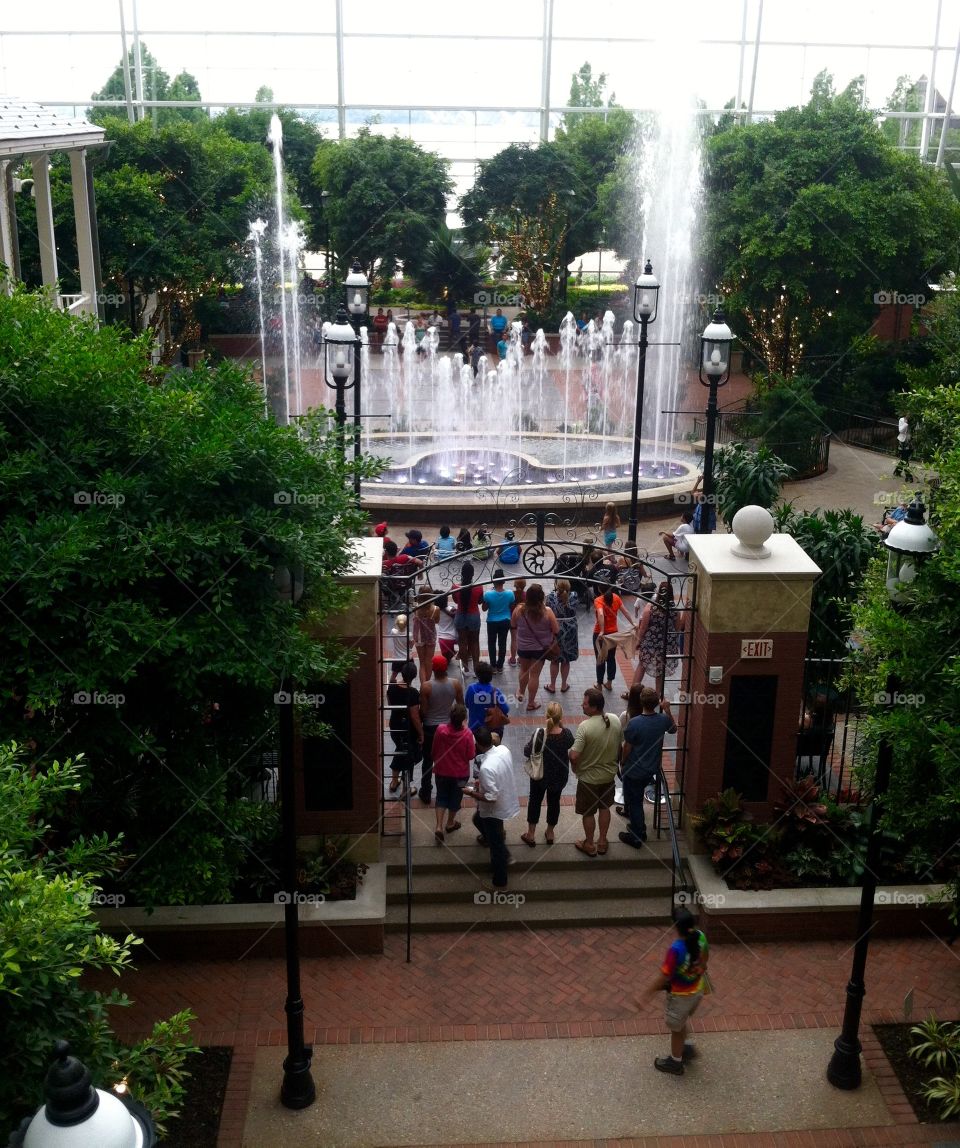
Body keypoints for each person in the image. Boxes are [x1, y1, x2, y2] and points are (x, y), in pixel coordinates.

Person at [643, 907, 709, 1075]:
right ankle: (686, 1047)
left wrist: (645, 995)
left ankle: (675, 1062)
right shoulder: (701, 937)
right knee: (682, 1020)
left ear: (675, 926)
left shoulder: (676, 950)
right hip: (698, 990)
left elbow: (663, 977)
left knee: (676, 1029)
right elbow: (705, 960)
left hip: (681, 997)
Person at [569, 687, 623, 856]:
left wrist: (574, 765)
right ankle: (602, 842)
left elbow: (574, 755)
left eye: (585, 704)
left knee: (588, 812)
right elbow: (620, 745)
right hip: (609, 776)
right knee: (605, 807)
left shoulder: (584, 727)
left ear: (594, 707)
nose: (581, 706)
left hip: (588, 780)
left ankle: (589, 844)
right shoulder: (615, 719)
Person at [619, 687, 676, 847]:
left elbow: (627, 748)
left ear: (641, 702)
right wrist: (667, 710)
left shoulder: (634, 723)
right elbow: (673, 729)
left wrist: (623, 763)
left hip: (635, 770)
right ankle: (637, 826)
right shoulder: (663, 720)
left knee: (635, 802)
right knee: (635, 799)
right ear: (657, 702)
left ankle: (637, 836)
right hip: (652, 768)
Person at [464, 725, 519, 889]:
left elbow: (490, 797)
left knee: (496, 845)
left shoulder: (486, 767)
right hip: (506, 800)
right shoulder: (504, 750)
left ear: (478, 745)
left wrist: (470, 793)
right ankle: (499, 857)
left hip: (494, 811)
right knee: (482, 824)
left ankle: (500, 879)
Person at [520, 700, 573, 847]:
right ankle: (550, 832)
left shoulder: (540, 734)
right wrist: (561, 726)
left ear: (546, 716)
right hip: (559, 776)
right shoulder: (566, 734)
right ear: (560, 717)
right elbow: (570, 744)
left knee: (535, 801)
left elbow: (526, 751)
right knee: (554, 802)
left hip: (540, 775)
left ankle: (531, 834)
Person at [418, 654, 463, 806]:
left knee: (428, 761)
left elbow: (423, 711)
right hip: (449, 727)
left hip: (431, 728)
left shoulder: (426, 687)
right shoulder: (455, 684)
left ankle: (425, 791)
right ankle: (449, 792)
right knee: (448, 760)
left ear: (433, 669)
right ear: (445, 669)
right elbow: (460, 706)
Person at [626, 581, 683, 697]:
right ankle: (657, 695)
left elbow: (643, 627)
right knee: (660, 669)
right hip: (667, 644)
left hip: (650, 644)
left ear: (658, 592)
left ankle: (633, 692)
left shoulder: (650, 607)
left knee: (642, 665)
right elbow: (677, 629)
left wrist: (638, 641)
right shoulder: (675, 610)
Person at [429, 702, 474, 843]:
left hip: (442, 770)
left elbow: (434, 749)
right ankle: (450, 823)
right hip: (460, 774)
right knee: (455, 798)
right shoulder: (467, 734)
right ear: (463, 719)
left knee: (441, 797)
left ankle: (438, 827)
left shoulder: (440, 730)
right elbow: (471, 755)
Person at [512, 583, 559, 712]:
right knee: (535, 675)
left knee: (523, 670)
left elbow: (513, 624)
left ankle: (521, 692)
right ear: (541, 597)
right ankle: (531, 703)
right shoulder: (547, 612)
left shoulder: (519, 609)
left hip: (523, 647)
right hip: (540, 649)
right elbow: (556, 630)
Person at [386, 661, 423, 794]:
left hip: (394, 724)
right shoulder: (413, 693)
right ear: (414, 676)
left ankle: (394, 781)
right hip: (408, 728)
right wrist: (421, 733)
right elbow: (414, 716)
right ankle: (405, 789)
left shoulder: (392, 687)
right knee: (408, 755)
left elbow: (390, 704)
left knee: (399, 750)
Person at [593, 585, 634, 691]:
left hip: (601, 635)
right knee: (611, 659)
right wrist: (633, 623)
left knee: (600, 658)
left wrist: (602, 630)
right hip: (613, 634)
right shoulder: (615, 597)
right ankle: (609, 683)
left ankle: (599, 684)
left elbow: (601, 615)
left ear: (599, 588)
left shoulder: (598, 600)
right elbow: (625, 611)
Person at [545, 579, 579, 693]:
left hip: (556, 629)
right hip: (570, 630)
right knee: (566, 660)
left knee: (554, 659)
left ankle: (552, 685)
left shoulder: (550, 597)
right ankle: (564, 685)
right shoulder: (574, 596)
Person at [453, 561, 484, 676]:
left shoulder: (455, 587)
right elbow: (480, 601)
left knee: (462, 642)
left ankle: (465, 669)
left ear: (461, 573)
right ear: (472, 574)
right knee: (475, 642)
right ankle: (476, 669)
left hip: (460, 616)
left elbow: (456, 601)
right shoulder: (479, 588)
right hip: (474, 616)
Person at [464, 661, 510, 735]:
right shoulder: (495, 691)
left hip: (474, 728)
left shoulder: (471, 688)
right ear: (491, 676)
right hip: (492, 730)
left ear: (477, 675)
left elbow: (467, 705)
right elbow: (506, 709)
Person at [481, 569, 514, 671]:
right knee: (502, 642)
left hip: (492, 621)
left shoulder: (488, 594)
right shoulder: (510, 594)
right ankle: (500, 665)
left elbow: (484, 608)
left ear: (494, 581)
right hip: (505, 620)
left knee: (491, 643)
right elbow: (511, 606)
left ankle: (493, 664)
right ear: (504, 581)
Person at [412, 591, 440, 683]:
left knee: (422, 662)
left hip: (419, 635)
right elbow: (437, 621)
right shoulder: (436, 609)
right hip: (430, 635)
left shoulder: (416, 607)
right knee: (429, 661)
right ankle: (427, 684)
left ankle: (423, 686)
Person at [507, 578, 527, 665]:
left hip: (512, 619)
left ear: (515, 585)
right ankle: (521, 658)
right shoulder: (526, 595)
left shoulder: (511, 594)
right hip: (522, 619)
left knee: (514, 639)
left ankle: (512, 659)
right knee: (521, 639)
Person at [435, 593, 458, 663]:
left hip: (442, 638)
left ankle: (452, 653)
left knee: (446, 659)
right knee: (449, 654)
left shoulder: (436, 611)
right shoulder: (451, 609)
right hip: (454, 637)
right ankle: (453, 652)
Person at [388, 612, 409, 683]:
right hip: (407, 658)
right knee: (408, 675)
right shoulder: (409, 634)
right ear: (406, 624)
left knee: (393, 675)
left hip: (397, 658)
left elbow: (394, 629)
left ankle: (391, 687)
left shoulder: (393, 631)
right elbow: (411, 646)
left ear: (396, 623)